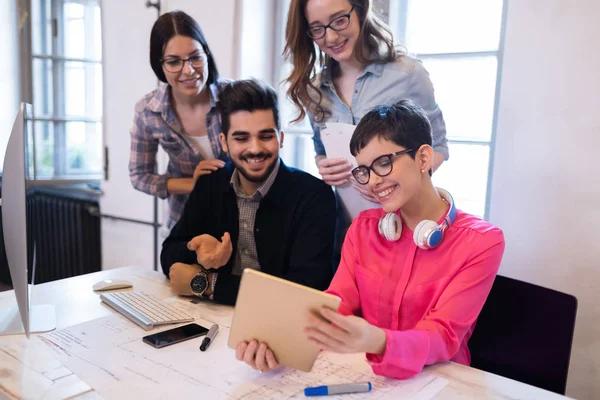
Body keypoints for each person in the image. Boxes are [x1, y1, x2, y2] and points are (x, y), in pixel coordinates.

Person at [236, 100, 505, 379]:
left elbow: (443, 335)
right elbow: (335, 304)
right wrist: (283, 345)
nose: (373, 181)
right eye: (364, 170)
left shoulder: (482, 242)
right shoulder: (363, 229)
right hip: (371, 377)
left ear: (424, 158)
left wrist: (379, 341)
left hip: (443, 382)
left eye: (384, 163)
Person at [284, 0, 449, 264]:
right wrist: (323, 166)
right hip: (346, 233)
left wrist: (391, 183)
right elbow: (320, 150)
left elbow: (438, 148)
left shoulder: (408, 74)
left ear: (360, 10)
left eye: (340, 20)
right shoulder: (315, 90)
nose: (331, 37)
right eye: (317, 29)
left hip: (404, 230)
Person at [160, 79, 336, 305]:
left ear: (280, 138)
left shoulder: (315, 196)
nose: (255, 149)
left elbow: (304, 290)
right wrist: (198, 253)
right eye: (241, 138)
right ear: (224, 142)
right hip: (209, 317)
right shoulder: (210, 182)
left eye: (265, 136)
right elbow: (168, 257)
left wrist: (208, 284)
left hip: (276, 326)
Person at [129, 11, 229, 229]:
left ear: (207, 55)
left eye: (195, 57)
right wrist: (191, 184)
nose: (189, 70)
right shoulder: (148, 111)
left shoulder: (234, 97)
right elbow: (139, 176)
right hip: (185, 221)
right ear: (160, 66)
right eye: (174, 62)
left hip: (240, 219)